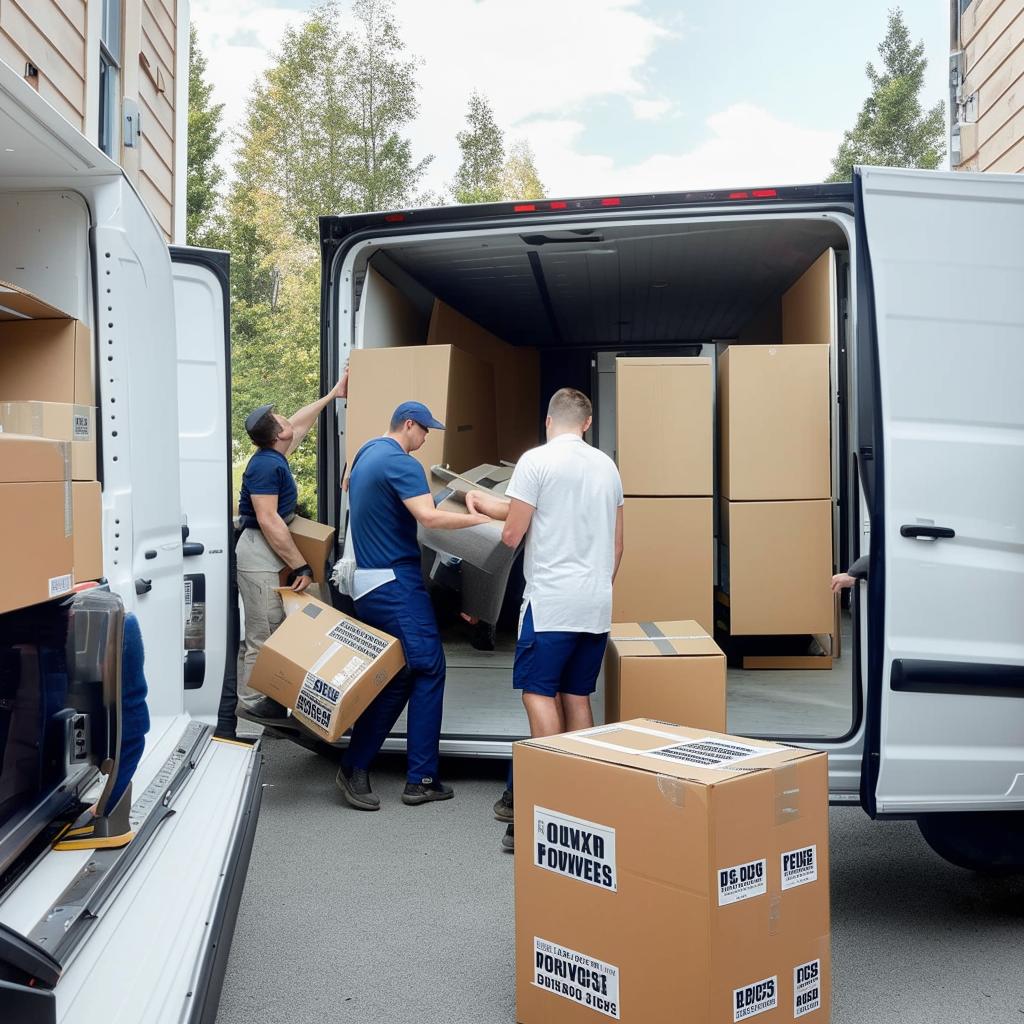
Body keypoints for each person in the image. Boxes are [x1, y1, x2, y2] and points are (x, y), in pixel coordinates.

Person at [464, 387, 624, 852]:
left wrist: (475, 516)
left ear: (548, 420)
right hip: (595, 605)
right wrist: (595, 587)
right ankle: (583, 799)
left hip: (550, 604)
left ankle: (548, 798)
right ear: (587, 424)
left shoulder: (535, 460)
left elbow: (514, 531)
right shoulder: (607, 467)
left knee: (537, 693)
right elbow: (617, 545)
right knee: (577, 695)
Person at [336, 401, 492, 811]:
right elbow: (429, 517)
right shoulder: (402, 463)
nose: (424, 441)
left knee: (403, 675)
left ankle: (355, 766)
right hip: (395, 583)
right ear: (409, 425)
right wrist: (482, 522)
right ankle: (421, 778)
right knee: (430, 667)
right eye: (424, 432)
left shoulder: (367, 452)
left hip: (367, 584)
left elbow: (372, 498)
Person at [235, 373, 348, 724]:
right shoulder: (266, 466)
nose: (289, 421)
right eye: (281, 420)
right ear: (278, 435)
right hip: (259, 551)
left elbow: (300, 420)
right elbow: (269, 521)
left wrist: (332, 394)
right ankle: (252, 707)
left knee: (278, 629)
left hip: (271, 549)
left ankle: (269, 701)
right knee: (263, 633)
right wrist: (301, 566)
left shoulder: (275, 450)